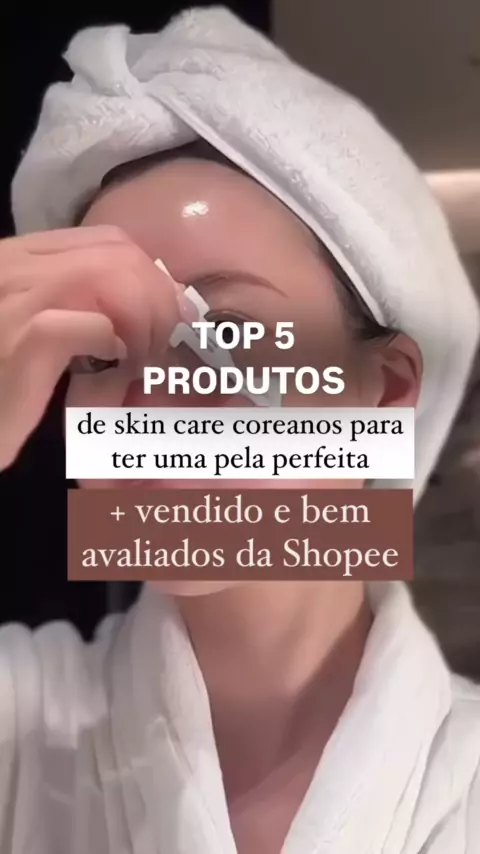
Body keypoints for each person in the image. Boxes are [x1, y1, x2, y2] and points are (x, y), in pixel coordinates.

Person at [1, 7, 479, 854]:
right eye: (98, 355)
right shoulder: (21, 725)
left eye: (223, 333)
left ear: (387, 389)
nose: (146, 410)